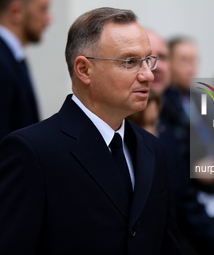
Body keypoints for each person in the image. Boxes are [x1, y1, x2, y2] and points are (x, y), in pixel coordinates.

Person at [0, 7, 181, 255]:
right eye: (130, 62)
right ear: (84, 70)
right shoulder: (33, 152)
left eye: (148, 60)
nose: (148, 75)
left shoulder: (152, 148)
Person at [147, 31, 214, 255]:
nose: (191, 67)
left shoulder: (203, 99)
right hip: (183, 214)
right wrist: (194, 169)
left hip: (208, 205)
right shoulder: (160, 105)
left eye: (194, 60)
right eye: (184, 60)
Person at [0, 0, 51, 141]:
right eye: (43, 9)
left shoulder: (12, 57)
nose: (49, 19)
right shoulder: (3, 61)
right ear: (16, 12)